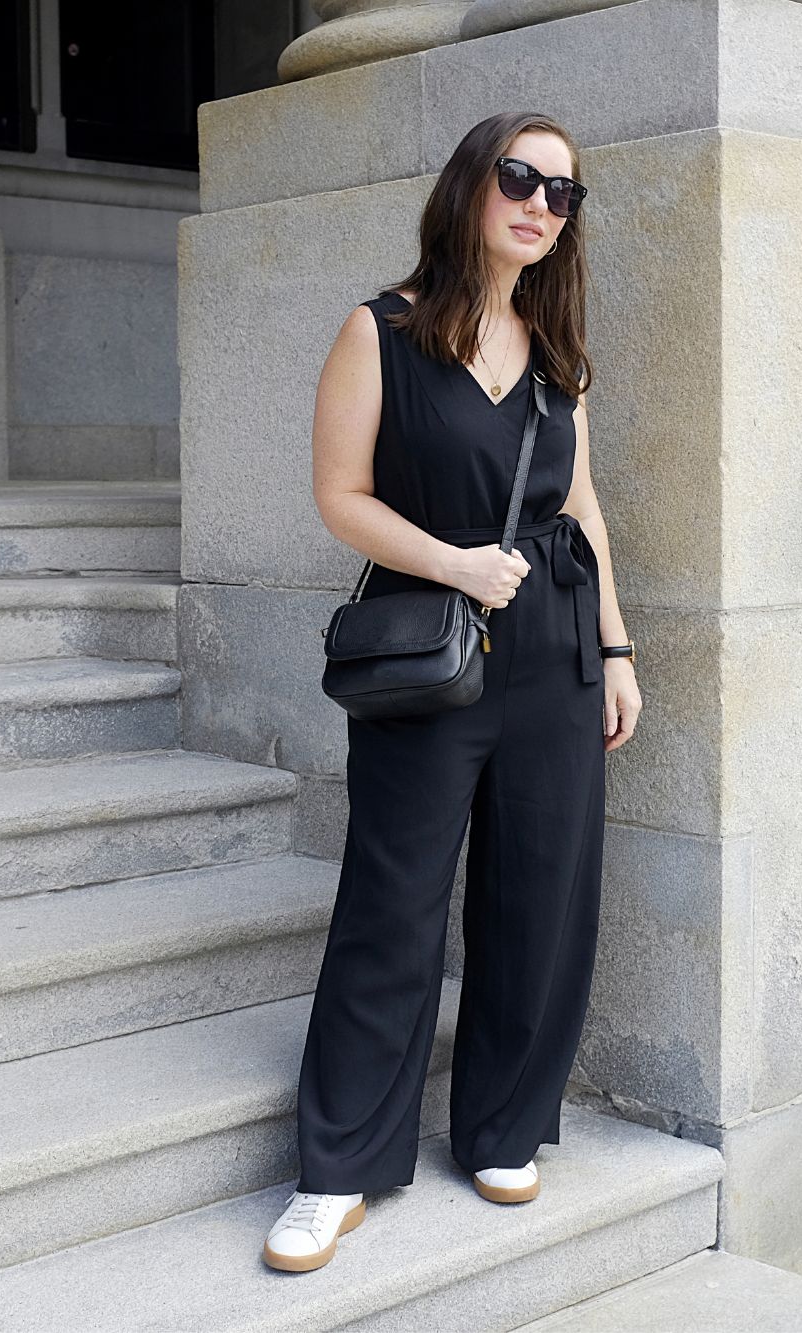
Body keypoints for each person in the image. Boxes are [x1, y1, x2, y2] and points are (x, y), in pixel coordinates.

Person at [261, 111, 641, 1273]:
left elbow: (579, 508)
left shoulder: (555, 345)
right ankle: (337, 1168)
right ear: (471, 184)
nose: (538, 204)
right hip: (432, 646)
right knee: (392, 900)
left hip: (555, 648)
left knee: (540, 896)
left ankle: (500, 1123)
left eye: (561, 194)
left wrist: (616, 649)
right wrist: (456, 563)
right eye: (518, 178)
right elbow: (340, 494)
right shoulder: (379, 331)